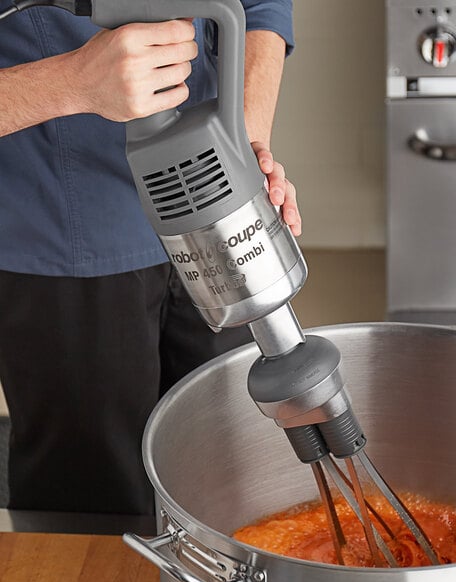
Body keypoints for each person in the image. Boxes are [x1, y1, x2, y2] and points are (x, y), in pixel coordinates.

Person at [0, 0, 301, 515]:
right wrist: (71, 82)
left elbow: (260, 8)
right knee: (92, 508)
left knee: (238, 477)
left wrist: (240, 146)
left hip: (214, 212)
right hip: (61, 237)